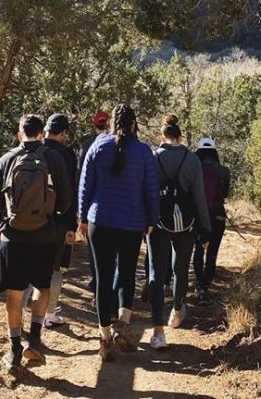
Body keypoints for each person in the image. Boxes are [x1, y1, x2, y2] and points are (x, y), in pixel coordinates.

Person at [0, 114, 72, 373]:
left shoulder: (6, 159)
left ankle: (14, 347)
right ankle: (35, 338)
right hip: (44, 236)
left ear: (19, 134)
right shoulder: (54, 158)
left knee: (14, 293)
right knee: (42, 285)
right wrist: (51, 218)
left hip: (12, 236)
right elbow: (65, 200)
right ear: (41, 133)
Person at [78, 104, 159, 362]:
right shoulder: (144, 152)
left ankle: (104, 338)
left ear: (111, 122)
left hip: (99, 220)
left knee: (102, 279)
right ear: (134, 125)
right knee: (126, 275)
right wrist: (152, 220)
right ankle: (122, 328)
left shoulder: (98, 147)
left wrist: (81, 218)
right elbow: (151, 190)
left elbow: (85, 184)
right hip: (132, 222)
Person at [147, 115, 211, 349]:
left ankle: (157, 332)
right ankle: (176, 310)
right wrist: (206, 228)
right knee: (180, 268)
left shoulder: (152, 158)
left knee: (156, 272)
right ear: (180, 136)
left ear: (162, 135)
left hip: (157, 221)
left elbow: (147, 192)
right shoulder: (192, 160)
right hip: (187, 222)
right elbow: (199, 197)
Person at [39, 113, 78, 327]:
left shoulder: (35, 149)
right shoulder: (67, 155)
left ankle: (31, 311)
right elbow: (70, 191)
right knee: (56, 267)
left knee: (34, 265)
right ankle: (50, 314)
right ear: (63, 133)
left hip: (32, 218)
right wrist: (72, 226)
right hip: (59, 219)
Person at [193, 137, 231, 306]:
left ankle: (198, 285)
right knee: (212, 252)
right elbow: (225, 195)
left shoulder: (194, 168)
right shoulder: (224, 171)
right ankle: (205, 286)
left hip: (197, 217)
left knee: (198, 250)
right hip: (218, 217)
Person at [77, 110, 109, 292]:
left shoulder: (87, 145)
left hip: (92, 207)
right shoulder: (118, 143)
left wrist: (80, 213)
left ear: (94, 124)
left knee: (94, 250)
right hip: (114, 206)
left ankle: (97, 283)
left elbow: (80, 180)